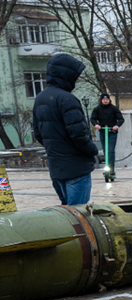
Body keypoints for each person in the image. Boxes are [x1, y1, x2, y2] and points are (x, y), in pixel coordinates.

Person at [32, 54, 97, 206]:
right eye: (76, 75)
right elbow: (79, 134)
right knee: (78, 214)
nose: (78, 79)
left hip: (56, 167)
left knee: (66, 214)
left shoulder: (40, 98)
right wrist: (92, 150)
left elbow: (38, 134)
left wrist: (56, 148)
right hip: (76, 167)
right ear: (66, 74)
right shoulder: (67, 99)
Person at [90, 93, 124, 177]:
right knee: (105, 150)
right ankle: (107, 167)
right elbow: (93, 118)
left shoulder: (114, 109)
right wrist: (96, 125)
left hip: (112, 132)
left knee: (111, 150)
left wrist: (116, 125)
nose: (105, 101)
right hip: (103, 132)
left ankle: (111, 169)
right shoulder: (97, 109)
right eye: (103, 99)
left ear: (109, 100)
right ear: (101, 100)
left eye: (107, 99)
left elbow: (121, 119)